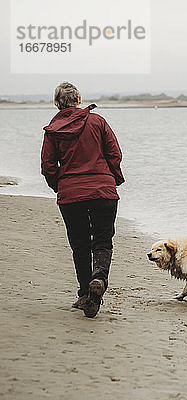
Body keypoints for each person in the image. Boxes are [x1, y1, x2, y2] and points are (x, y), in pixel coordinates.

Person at [41, 82, 124, 318]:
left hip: (71, 193)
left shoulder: (53, 129)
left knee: (79, 243)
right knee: (102, 240)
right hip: (102, 190)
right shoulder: (97, 122)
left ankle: (85, 294)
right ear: (78, 99)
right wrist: (111, 178)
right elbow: (115, 153)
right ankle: (98, 280)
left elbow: (47, 166)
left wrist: (61, 185)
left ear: (58, 103)